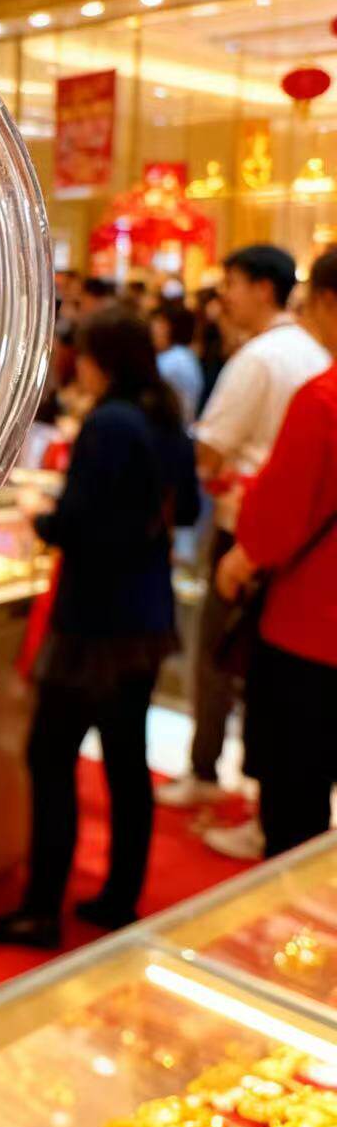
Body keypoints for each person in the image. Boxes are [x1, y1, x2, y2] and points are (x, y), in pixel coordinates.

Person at [0, 307, 199, 948]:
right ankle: (119, 898)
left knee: (50, 756)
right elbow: (185, 508)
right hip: (146, 613)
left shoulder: (109, 422)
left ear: (100, 359)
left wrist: (39, 516)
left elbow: (78, 526)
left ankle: (41, 909)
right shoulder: (165, 416)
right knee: (127, 762)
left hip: (94, 622)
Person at [158, 245, 330, 851]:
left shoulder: (269, 363)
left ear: (262, 287)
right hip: (305, 555)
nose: (222, 296)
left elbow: (213, 454)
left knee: (232, 668)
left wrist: (244, 548)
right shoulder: (313, 357)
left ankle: (220, 783)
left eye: (230, 282)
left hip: (271, 553)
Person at [216, 247, 337, 857]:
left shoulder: (323, 398)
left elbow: (276, 520)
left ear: (329, 302)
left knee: (295, 803)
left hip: (310, 628)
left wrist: (240, 555)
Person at [151, 300, 202, 426]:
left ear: (171, 328)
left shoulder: (176, 359)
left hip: (175, 428)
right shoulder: (182, 355)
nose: (153, 331)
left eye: (160, 325)